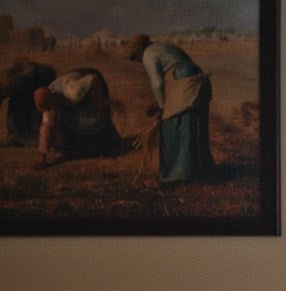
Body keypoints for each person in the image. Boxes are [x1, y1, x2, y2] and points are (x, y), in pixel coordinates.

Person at [127, 33, 214, 182]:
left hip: (182, 80)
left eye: (135, 58)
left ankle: (177, 174)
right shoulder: (163, 47)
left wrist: (162, 107)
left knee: (172, 124)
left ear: (139, 52)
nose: (138, 61)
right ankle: (200, 170)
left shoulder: (148, 54)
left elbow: (157, 83)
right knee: (193, 122)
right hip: (194, 80)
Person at [31, 67, 122, 168]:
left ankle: (110, 145)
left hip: (90, 80)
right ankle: (72, 150)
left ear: (53, 99)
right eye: (47, 109)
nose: (49, 110)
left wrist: (97, 106)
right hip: (75, 87)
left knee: (95, 118)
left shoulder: (73, 91)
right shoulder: (49, 105)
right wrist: (42, 154)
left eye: (49, 107)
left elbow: (93, 78)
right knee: (66, 119)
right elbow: (46, 127)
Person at [1, 57, 55, 147]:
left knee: (29, 109)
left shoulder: (12, 81)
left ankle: (30, 138)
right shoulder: (8, 82)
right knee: (17, 106)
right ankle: (19, 137)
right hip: (29, 79)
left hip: (39, 79)